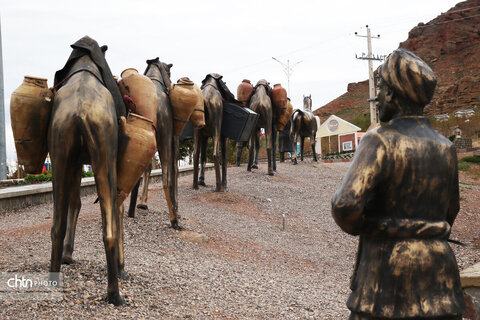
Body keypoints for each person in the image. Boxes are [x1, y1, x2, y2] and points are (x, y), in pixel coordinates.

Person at [331, 49, 466, 320]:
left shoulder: (378, 140)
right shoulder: (446, 147)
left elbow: (345, 205)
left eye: (381, 87)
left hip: (385, 275)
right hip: (440, 275)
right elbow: (451, 209)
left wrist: (370, 226)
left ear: (392, 93)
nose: (377, 95)